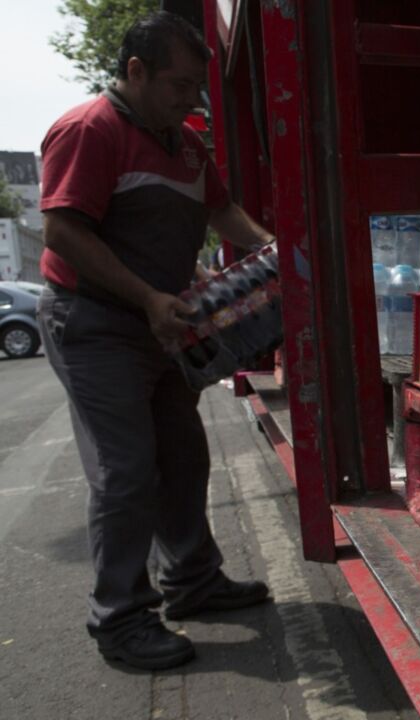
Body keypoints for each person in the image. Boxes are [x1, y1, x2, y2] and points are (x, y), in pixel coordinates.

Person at [36, 11, 275, 671]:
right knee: (126, 470)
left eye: (198, 85)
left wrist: (274, 251)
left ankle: (192, 581)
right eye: (177, 84)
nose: (191, 98)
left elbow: (222, 210)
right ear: (134, 72)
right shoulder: (90, 130)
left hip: (160, 327)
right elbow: (64, 234)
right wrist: (146, 298)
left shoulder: (186, 142)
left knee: (184, 453)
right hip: (98, 324)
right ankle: (119, 618)